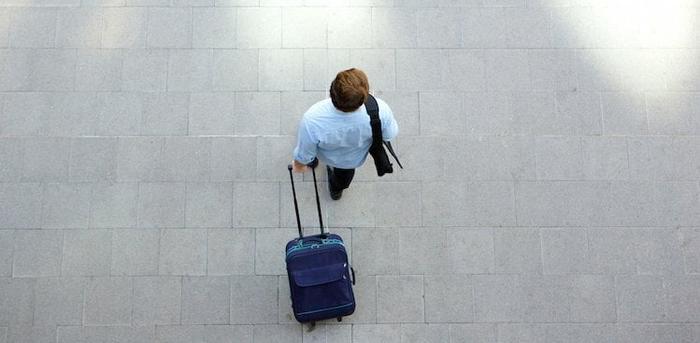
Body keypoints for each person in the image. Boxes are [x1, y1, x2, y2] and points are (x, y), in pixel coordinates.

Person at [291, 68, 399, 200]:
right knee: (343, 178)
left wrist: (299, 165)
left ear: (332, 92)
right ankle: (336, 191)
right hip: (350, 161)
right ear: (365, 94)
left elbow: (305, 152)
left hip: (325, 154)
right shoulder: (381, 110)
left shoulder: (313, 118)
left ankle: (315, 163)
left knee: (313, 155)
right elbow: (389, 135)